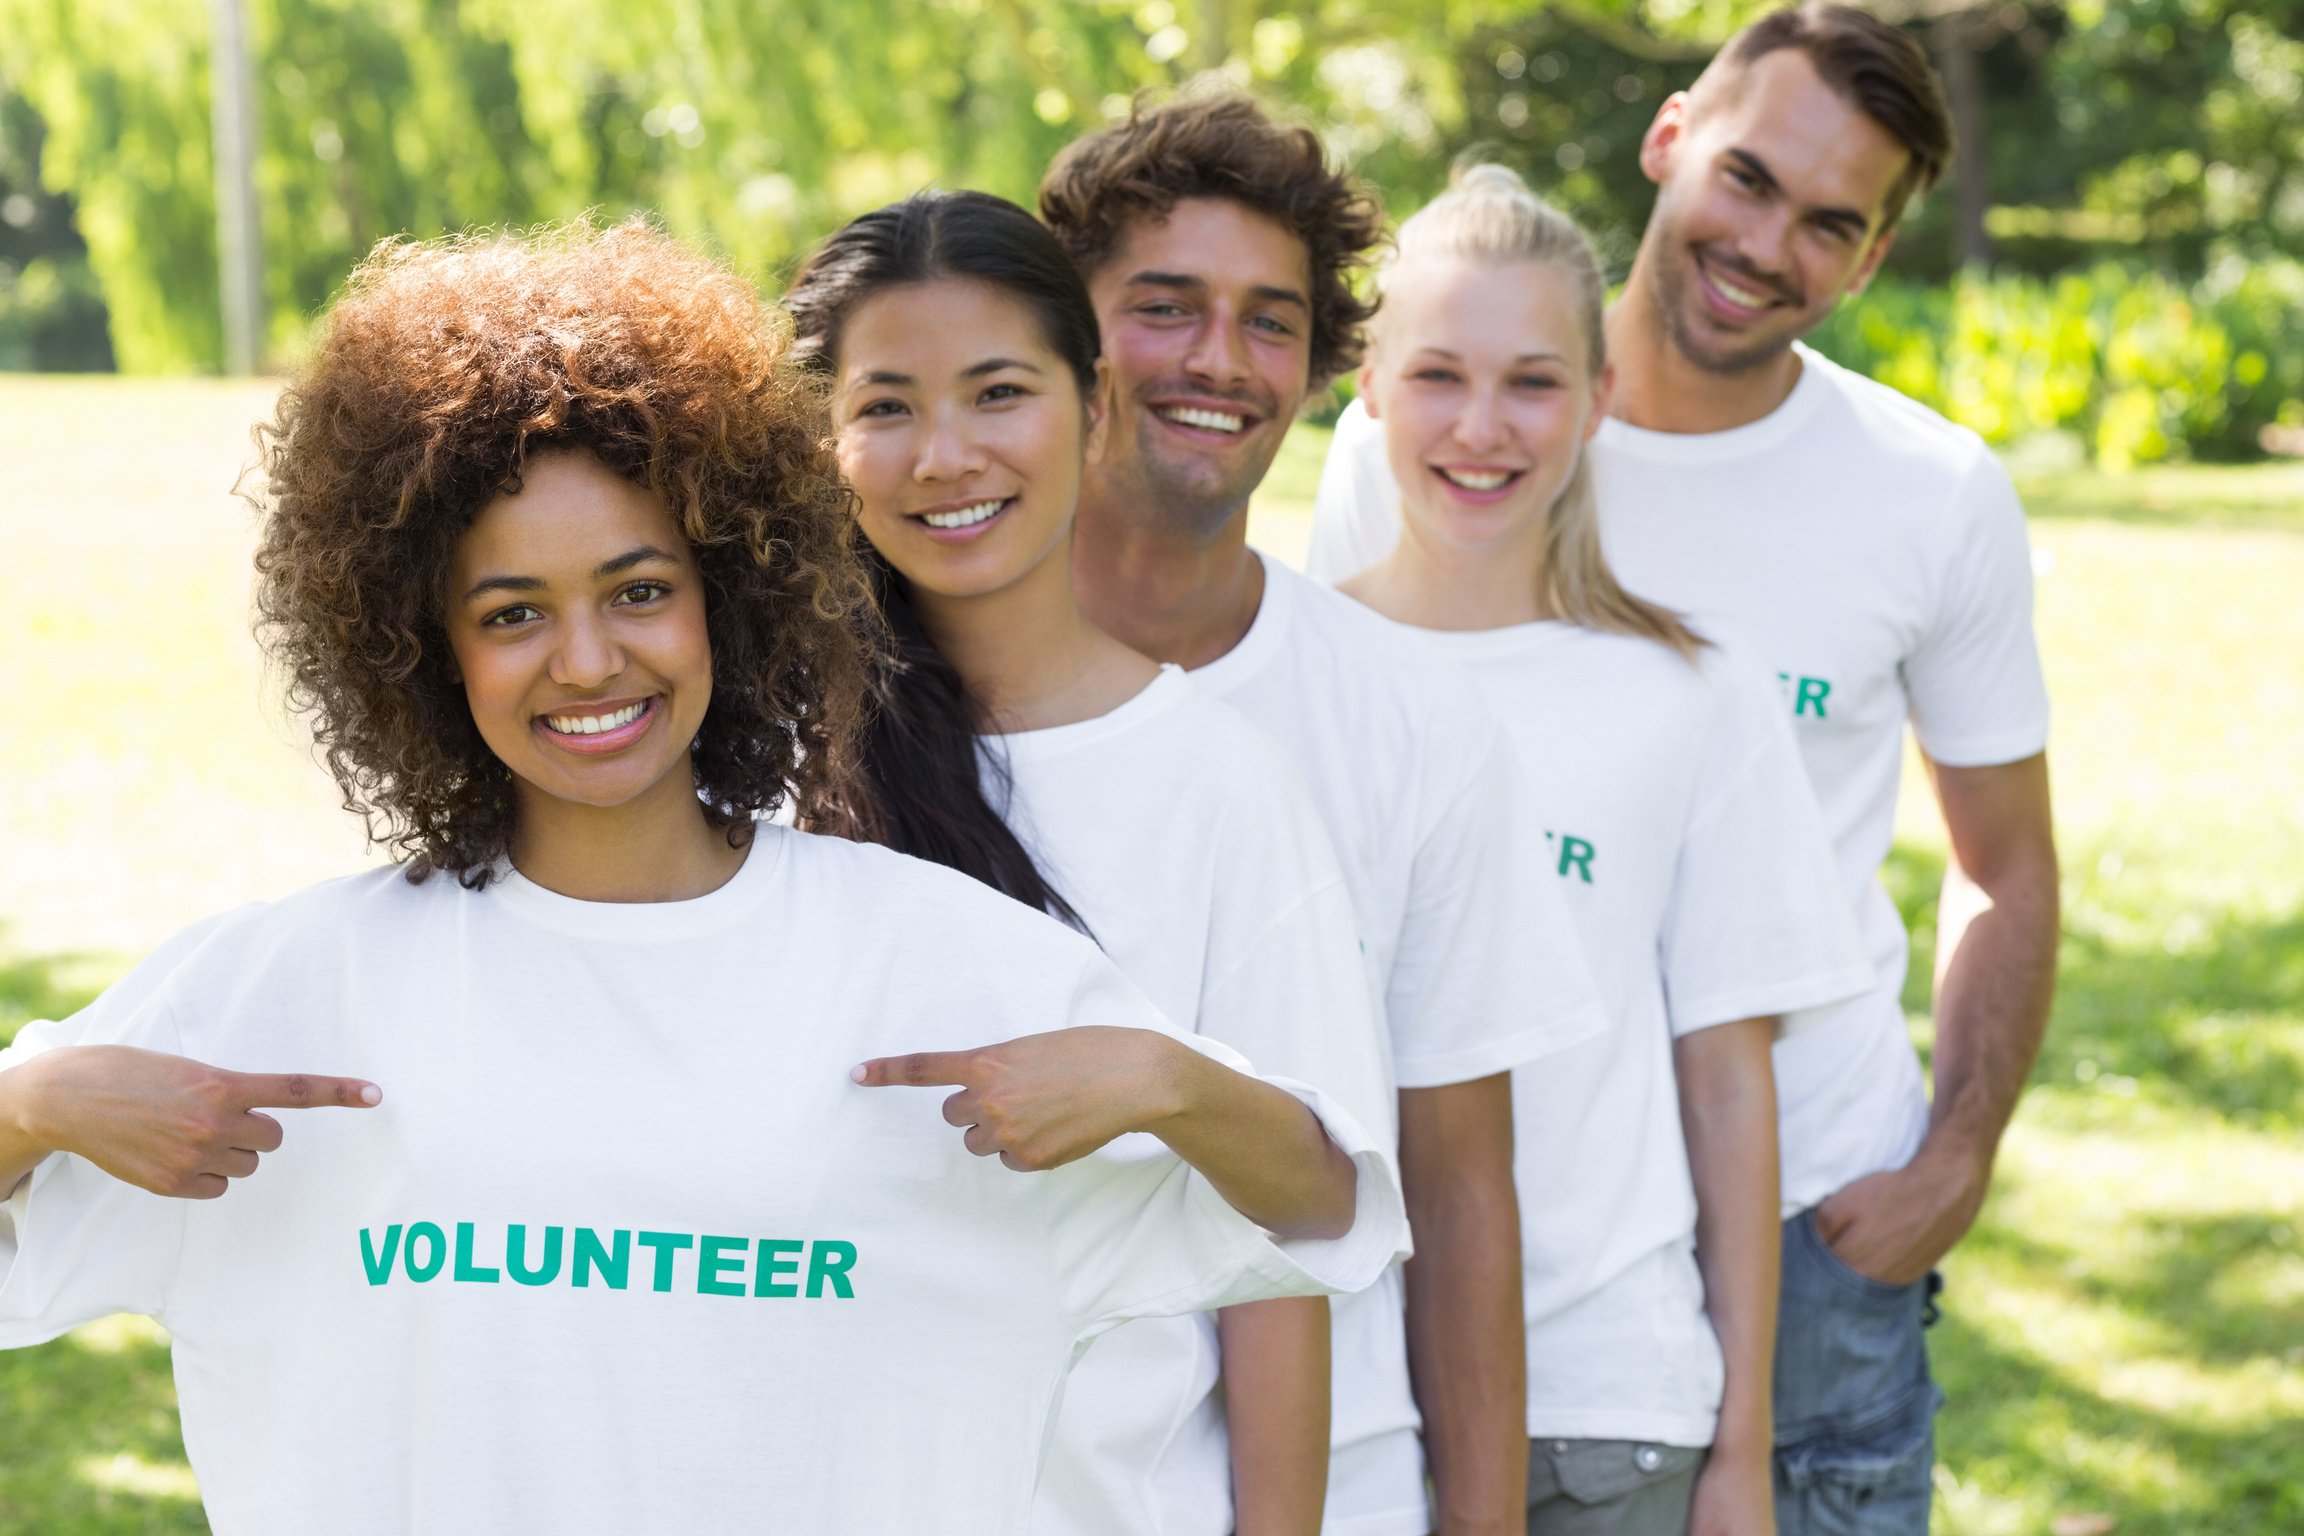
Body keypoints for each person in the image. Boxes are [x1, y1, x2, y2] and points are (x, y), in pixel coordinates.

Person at [0, 222, 1408, 1535]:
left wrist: (1173, 1079)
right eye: (511, 614)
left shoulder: (937, 967)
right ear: (420, 648)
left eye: (639, 590)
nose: (590, 660)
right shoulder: (290, 995)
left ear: (729, 591)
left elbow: (1328, 1212)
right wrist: (37, 1103)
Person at [1309, 8, 2061, 1530]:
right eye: (1748, 177)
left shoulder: (1928, 497)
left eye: (1831, 223)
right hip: (1479, 1207)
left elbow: (2010, 868)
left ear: (1869, 259)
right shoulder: (1427, 446)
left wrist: (1955, 1157)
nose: (1768, 241)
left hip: (1807, 1211)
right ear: (1669, 142)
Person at [782, 188, 1397, 1536]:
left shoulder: (1223, 791)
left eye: (999, 392)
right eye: (886, 407)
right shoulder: (750, 769)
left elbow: (1310, 1215)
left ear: (1096, 408)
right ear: (821, 444)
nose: (946, 454)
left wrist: (1158, 1079)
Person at [1043, 94, 1610, 1536]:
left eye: (1269, 321)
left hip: (1340, 1482)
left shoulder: (1409, 719)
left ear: (1317, 369)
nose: (1218, 361)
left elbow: (1462, 1187)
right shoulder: (902, 691)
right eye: (1164, 307)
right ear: (1066, 330)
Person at [1339, 164, 1873, 1536]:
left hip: (1606, 1413)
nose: (1481, 428)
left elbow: (1728, 1085)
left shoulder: (1689, 694)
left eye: (1531, 383)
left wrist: (1742, 1453)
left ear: (1599, 397)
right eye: (1440, 375)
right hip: (1336, 1403)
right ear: (1370, 385)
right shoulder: (1284, 672)